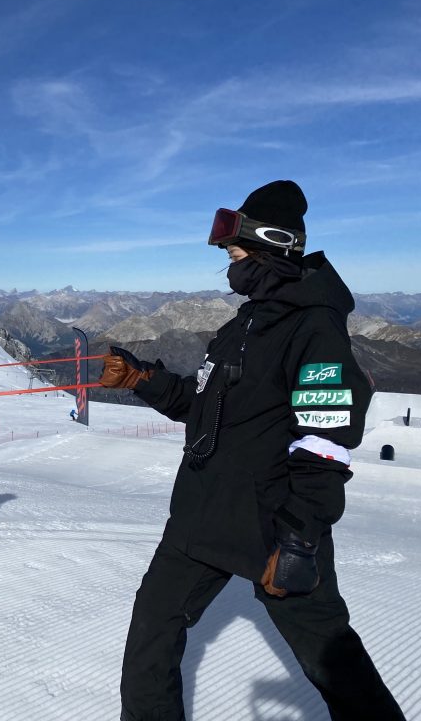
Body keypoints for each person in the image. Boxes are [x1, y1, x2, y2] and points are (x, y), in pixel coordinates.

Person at [103, 181, 405, 720]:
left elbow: (326, 437)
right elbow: (203, 410)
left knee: (331, 660)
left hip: (274, 524)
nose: (230, 267)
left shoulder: (315, 327)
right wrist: (140, 379)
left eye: (236, 254)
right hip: (200, 518)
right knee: (151, 638)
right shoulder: (246, 321)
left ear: (274, 248)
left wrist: (300, 535)